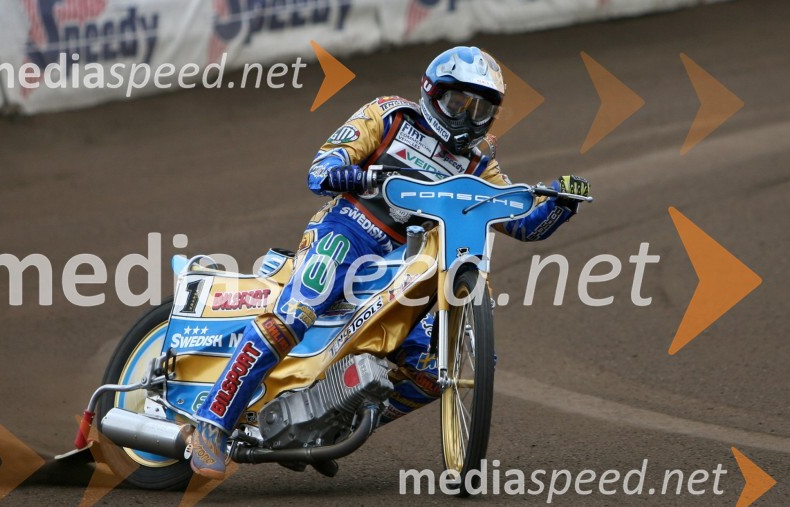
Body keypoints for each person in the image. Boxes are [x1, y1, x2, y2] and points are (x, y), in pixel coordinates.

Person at [190, 46, 590, 479]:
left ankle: (329, 425)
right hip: (348, 232)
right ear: (432, 93)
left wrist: (560, 201)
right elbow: (321, 170)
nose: (467, 117)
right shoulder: (388, 116)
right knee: (298, 311)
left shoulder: (478, 164)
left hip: (411, 261)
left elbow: (520, 224)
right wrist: (362, 176)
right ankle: (211, 423)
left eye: (481, 109)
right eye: (459, 102)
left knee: (436, 367)